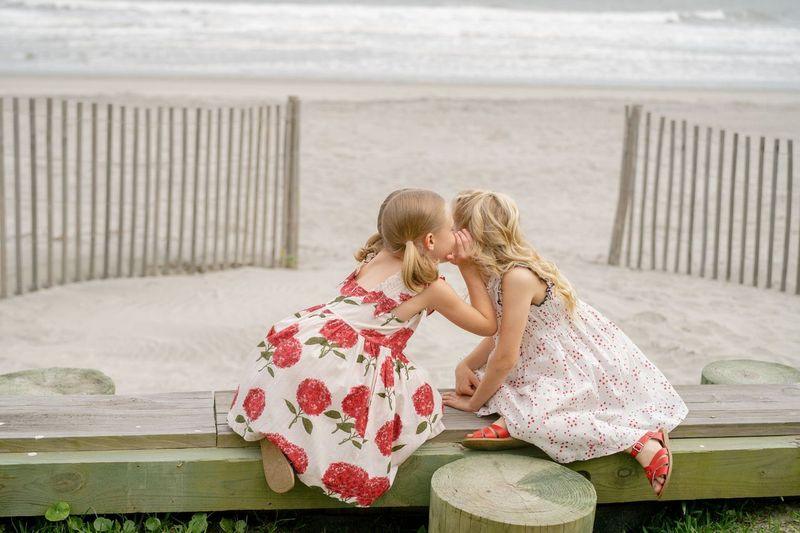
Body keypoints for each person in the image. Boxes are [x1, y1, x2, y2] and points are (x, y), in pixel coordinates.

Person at [227, 188, 497, 507]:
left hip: (301, 343)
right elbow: (487, 324)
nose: (456, 235)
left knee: (312, 391)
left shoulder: (377, 254)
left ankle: (280, 428)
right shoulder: (432, 287)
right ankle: (299, 443)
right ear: (430, 241)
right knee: (424, 403)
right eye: (451, 229)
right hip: (339, 364)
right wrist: (468, 268)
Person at [442, 189, 688, 499]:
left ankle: (640, 442)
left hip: (581, 363)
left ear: (473, 234)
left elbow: (505, 357)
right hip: (544, 358)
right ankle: (513, 422)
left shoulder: (517, 276)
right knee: (502, 387)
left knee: (531, 416)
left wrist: (474, 403)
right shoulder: (494, 271)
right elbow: (499, 333)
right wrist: (466, 365)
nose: (449, 234)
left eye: (454, 228)